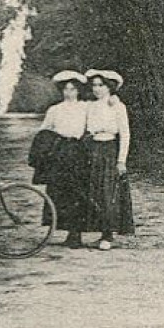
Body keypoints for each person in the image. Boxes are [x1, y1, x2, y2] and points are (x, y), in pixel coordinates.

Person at [32, 70, 90, 249]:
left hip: (78, 151)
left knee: (78, 191)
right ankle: (65, 229)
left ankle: (76, 233)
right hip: (59, 153)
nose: (69, 93)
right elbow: (44, 131)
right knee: (60, 191)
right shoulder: (55, 109)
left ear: (79, 90)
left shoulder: (86, 107)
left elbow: (101, 114)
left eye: (73, 89)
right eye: (66, 89)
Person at [80, 69, 134, 250]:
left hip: (109, 148)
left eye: (101, 85)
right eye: (94, 85)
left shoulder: (118, 106)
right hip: (92, 149)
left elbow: (125, 134)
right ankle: (100, 231)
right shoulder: (90, 106)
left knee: (108, 192)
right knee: (93, 192)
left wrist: (121, 160)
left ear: (109, 87)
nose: (97, 89)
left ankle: (108, 235)